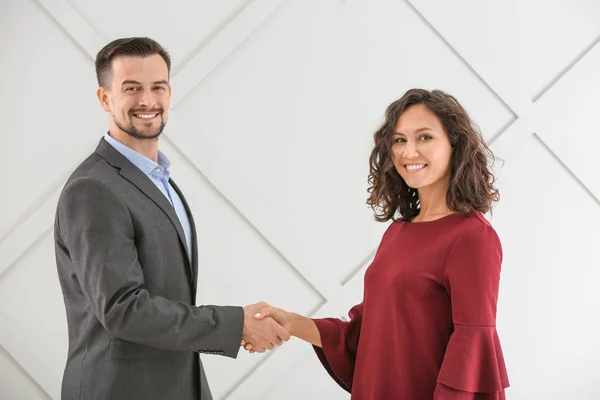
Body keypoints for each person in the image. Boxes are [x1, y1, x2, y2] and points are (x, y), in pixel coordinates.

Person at [54, 37, 289, 400]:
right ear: (105, 98)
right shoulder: (92, 189)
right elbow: (123, 309)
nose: (147, 101)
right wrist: (234, 324)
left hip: (178, 384)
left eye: (157, 87)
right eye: (132, 88)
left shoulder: (160, 180)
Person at [243, 89, 510, 399]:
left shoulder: (472, 237)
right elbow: (365, 334)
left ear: (455, 145)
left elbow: (472, 348)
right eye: (399, 140)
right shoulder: (398, 232)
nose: (409, 152)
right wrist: (291, 323)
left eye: (424, 137)